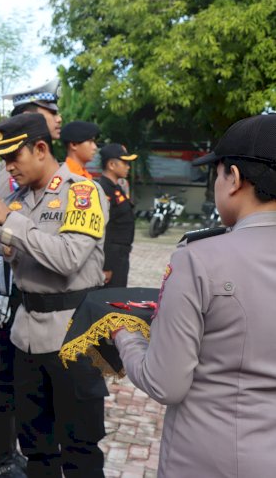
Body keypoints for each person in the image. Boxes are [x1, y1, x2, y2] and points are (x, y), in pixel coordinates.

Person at [112, 114, 276, 478]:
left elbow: (164, 381)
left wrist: (125, 336)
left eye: (215, 174)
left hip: (210, 457)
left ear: (233, 177)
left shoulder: (200, 258)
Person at [0, 112, 109, 478]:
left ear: (40, 149)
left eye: (13, 158)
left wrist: (12, 223)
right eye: (2, 159)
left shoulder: (83, 192)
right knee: (36, 447)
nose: (8, 168)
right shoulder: (12, 194)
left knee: (81, 448)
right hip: (26, 335)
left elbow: (69, 258)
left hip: (78, 334)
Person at [0, 78, 65, 478]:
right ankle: (0, 456)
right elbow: (9, 232)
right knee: (7, 380)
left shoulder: (69, 182)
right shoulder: (16, 168)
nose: (59, 119)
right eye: (51, 114)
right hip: (14, 296)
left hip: (41, 299)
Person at [96, 143, 137, 287]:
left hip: (121, 254)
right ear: (112, 165)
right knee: (110, 299)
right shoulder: (104, 189)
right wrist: (106, 265)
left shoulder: (116, 187)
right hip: (112, 256)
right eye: (124, 163)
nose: (128, 167)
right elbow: (103, 229)